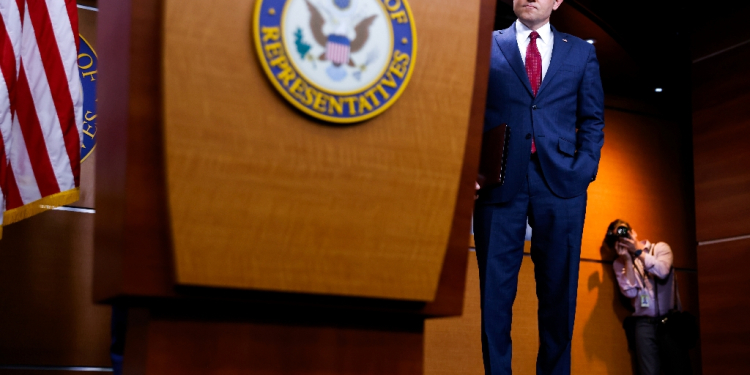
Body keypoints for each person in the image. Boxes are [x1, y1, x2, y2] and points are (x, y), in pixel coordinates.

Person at [473, 0, 605, 374]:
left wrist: (583, 170)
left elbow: (593, 120)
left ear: (557, 1)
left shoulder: (580, 52)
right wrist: (471, 170)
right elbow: (468, 110)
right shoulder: (486, 43)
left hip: (562, 185)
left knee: (559, 295)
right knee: (495, 297)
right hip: (498, 182)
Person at [608, 220, 693, 375]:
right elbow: (630, 293)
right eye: (618, 236)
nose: (623, 237)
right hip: (643, 324)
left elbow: (662, 271)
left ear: (633, 232)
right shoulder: (619, 263)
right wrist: (627, 260)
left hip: (670, 322)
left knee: (678, 369)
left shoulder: (660, 248)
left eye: (625, 232)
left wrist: (638, 252)